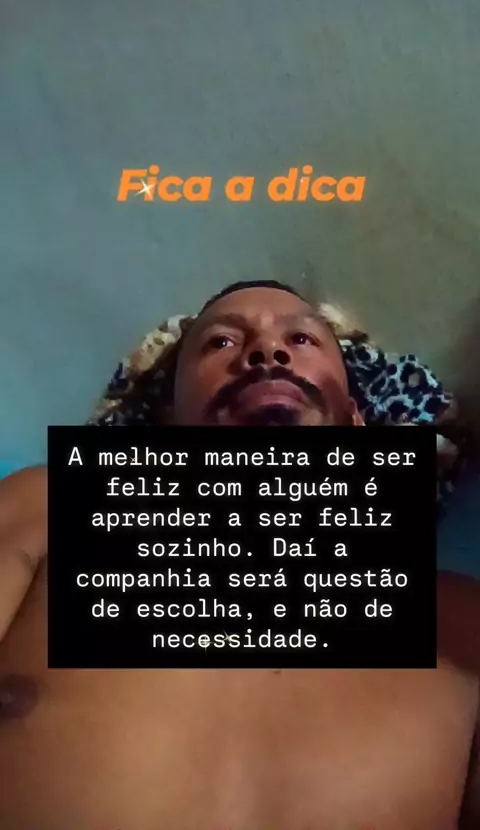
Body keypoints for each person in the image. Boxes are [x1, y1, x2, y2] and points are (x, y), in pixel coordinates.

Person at [0, 280, 479, 830]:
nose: (267, 351)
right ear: (165, 427)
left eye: (301, 338)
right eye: (221, 342)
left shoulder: (459, 624)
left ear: (355, 422)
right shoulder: (46, 510)